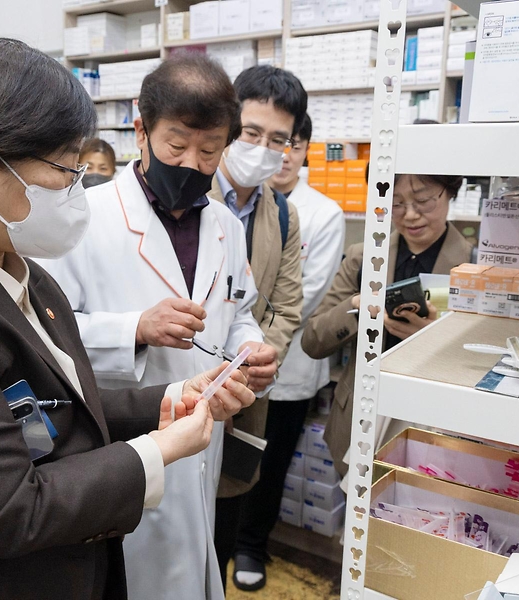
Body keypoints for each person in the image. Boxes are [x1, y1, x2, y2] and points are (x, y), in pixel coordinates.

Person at [0, 39, 257, 600]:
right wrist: (160, 449)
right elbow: (5, 508)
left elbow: (51, 408)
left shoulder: (23, 274)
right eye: (65, 168)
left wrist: (168, 398)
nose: (77, 188)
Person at [38, 53, 279, 600]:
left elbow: (238, 311)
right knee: (135, 575)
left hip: (204, 433)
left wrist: (252, 349)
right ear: (141, 131)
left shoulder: (225, 227)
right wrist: (135, 329)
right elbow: (46, 337)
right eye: (176, 145)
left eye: (210, 150)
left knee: (195, 564)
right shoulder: (86, 219)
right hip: (125, 440)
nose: (192, 163)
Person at [229, 113, 345, 591]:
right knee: (229, 458)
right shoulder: (231, 198)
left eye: (290, 144)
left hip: (290, 368)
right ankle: (228, 538)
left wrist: (246, 326)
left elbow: (304, 294)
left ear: (303, 151)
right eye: (262, 138)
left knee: (268, 463)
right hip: (229, 359)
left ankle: (252, 546)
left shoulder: (323, 213)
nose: (278, 153)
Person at [301, 174, 473, 476]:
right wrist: (356, 306)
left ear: (450, 192)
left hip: (434, 422)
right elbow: (313, 340)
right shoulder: (363, 257)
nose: (410, 214)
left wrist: (431, 337)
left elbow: (483, 365)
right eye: (395, 203)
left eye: (423, 201)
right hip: (360, 421)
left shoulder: (474, 265)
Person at [207, 64, 306, 589]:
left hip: (246, 397)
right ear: (227, 124)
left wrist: (256, 362)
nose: (264, 147)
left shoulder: (282, 215)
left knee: (225, 519)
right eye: (251, 132)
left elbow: (287, 306)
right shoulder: (189, 195)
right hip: (180, 384)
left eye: (278, 139)